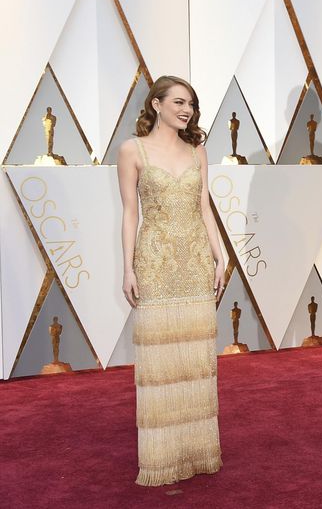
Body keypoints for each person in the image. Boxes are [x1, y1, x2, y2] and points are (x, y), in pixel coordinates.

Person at [118, 75, 224, 486]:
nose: (187, 110)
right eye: (179, 102)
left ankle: (198, 453)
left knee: (196, 361)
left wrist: (220, 256)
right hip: (156, 262)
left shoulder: (198, 150)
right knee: (161, 364)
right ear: (156, 104)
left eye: (192, 104)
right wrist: (127, 267)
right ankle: (161, 459)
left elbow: (204, 209)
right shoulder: (133, 149)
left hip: (196, 260)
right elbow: (130, 213)